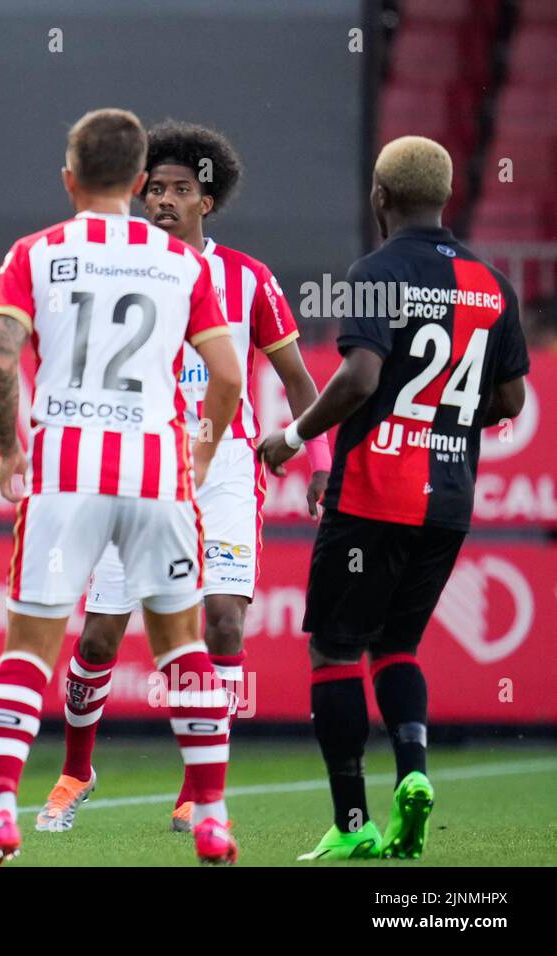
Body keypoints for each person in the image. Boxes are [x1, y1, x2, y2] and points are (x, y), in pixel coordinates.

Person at [0, 108, 243, 865]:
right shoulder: (185, 265)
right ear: (136, 181)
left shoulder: (35, 252)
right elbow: (227, 375)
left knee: (28, 650)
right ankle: (212, 816)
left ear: (70, 178)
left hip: (64, 475)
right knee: (182, 646)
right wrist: (202, 459)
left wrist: (9, 451)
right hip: (156, 471)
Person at [37, 121, 329, 835]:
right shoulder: (120, 269)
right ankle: (77, 768)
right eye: (154, 189)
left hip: (223, 466)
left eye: (180, 190)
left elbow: (297, 379)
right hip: (136, 463)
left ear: (208, 200)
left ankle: (203, 792)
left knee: (224, 621)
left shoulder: (248, 279)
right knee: (103, 636)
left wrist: (317, 458)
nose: (163, 201)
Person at [258, 136, 529, 860]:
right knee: (399, 645)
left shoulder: (375, 274)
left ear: (380, 198)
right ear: (445, 198)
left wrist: (289, 438)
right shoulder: (491, 282)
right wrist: (447, 419)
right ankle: (414, 773)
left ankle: (355, 826)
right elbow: (512, 399)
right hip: (448, 502)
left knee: (334, 648)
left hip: (376, 492)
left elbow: (358, 379)